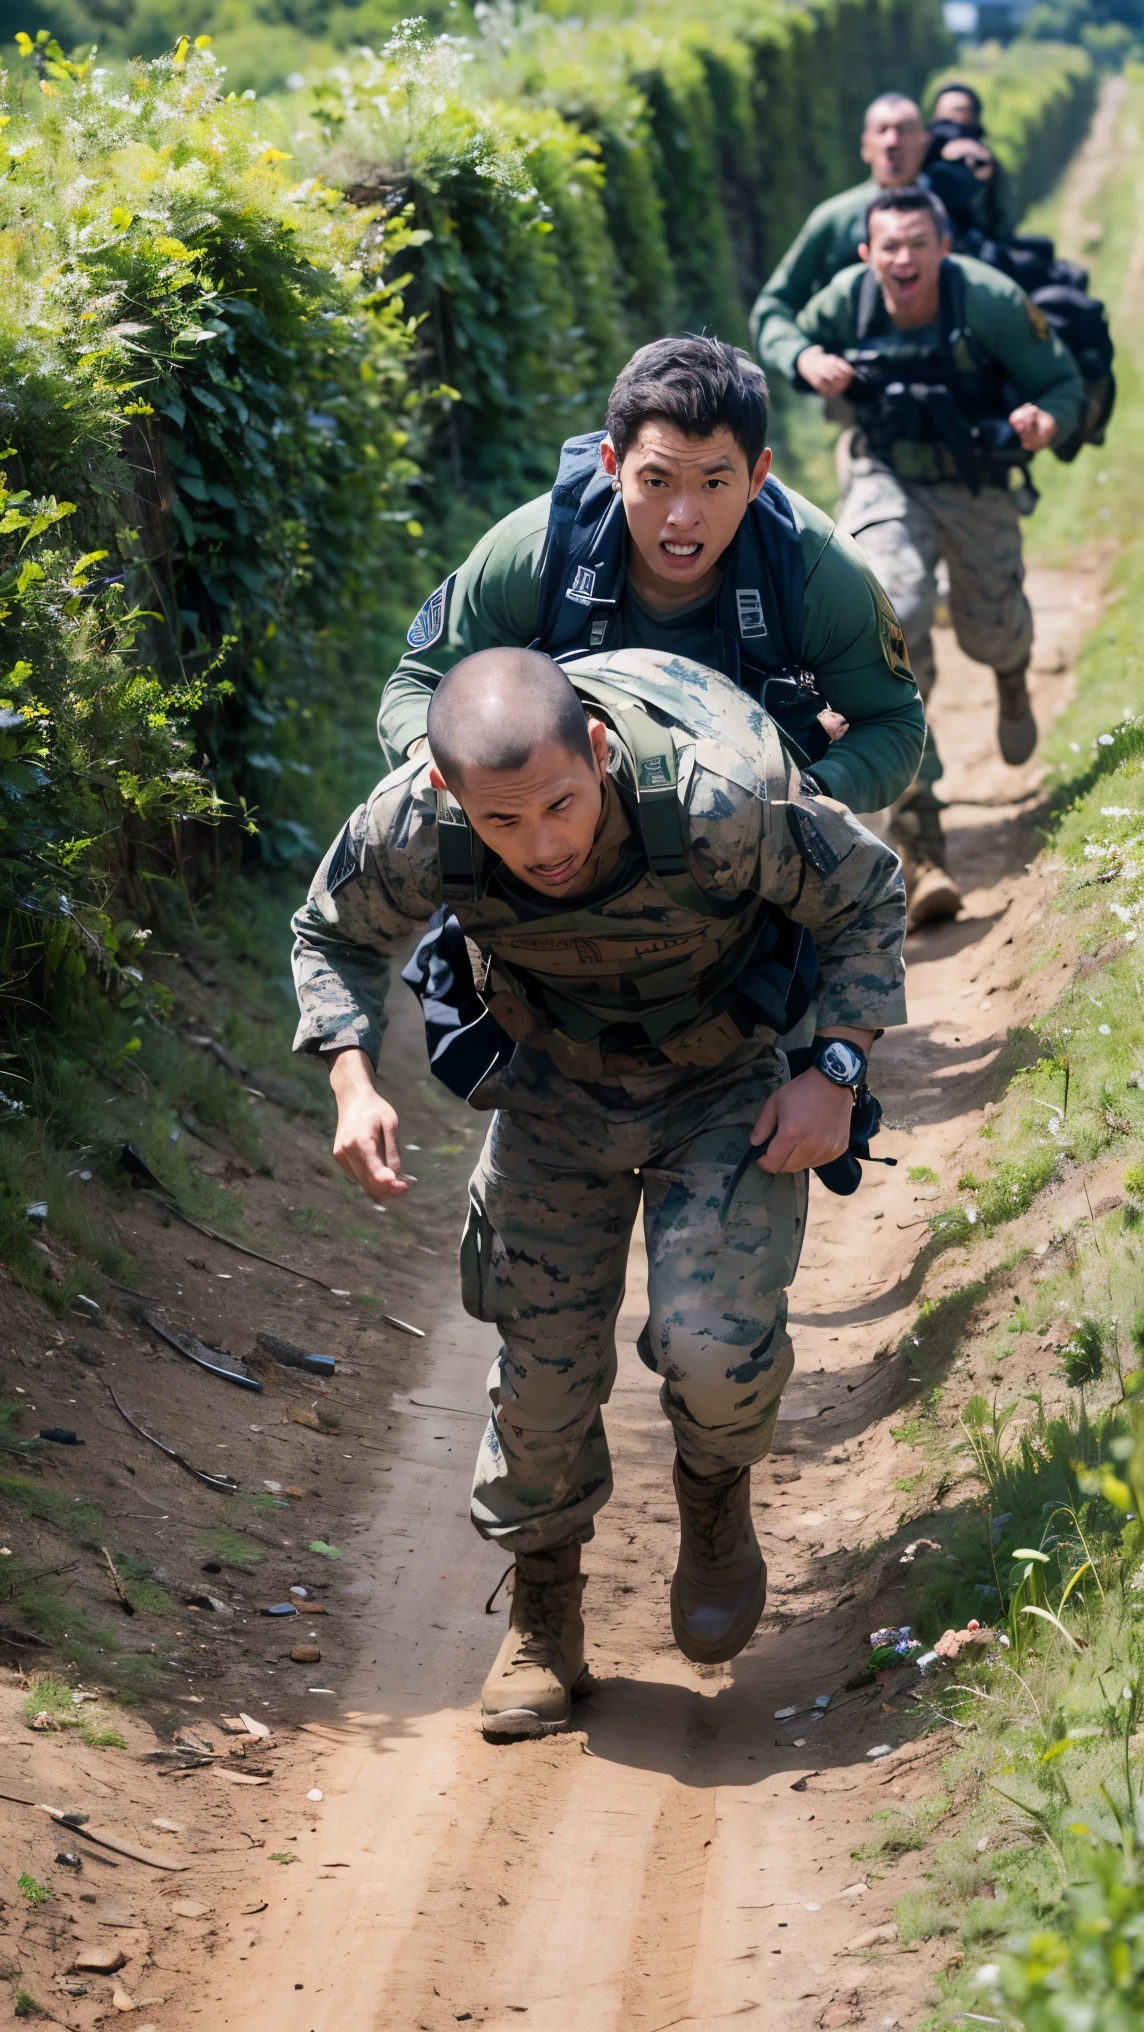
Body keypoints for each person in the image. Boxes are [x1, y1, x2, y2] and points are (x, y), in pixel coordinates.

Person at [293, 643, 907, 1737]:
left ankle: (713, 1493)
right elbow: (332, 932)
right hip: (552, 1088)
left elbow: (865, 897)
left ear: (600, 749)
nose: (542, 846)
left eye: (562, 806)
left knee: (713, 1345)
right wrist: (351, 1080)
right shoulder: (418, 820)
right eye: (502, 824)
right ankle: (542, 1611)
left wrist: (836, 1069)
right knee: (539, 1372)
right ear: (449, 794)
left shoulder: (724, 794)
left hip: (719, 1081)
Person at [378, 337, 926, 823]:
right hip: (558, 834)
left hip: (759, 829)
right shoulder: (535, 553)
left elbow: (892, 723)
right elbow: (417, 687)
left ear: (757, 476)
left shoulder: (814, 570)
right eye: (657, 480)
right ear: (613, 464)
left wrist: (808, 799)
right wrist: (460, 778)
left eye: (714, 482)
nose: (683, 517)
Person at [773, 185, 1084, 926]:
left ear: (944, 247)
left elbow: (1063, 381)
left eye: (918, 244)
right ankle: (921, 835)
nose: (904, 259)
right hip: (883, 473)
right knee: (889, 619)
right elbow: (774, 323)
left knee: (991, 628)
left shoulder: (990, 300)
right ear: (866, 252)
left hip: (976, 481)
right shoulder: (846, 301)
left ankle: (1010, 672)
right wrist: (805, 356)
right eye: (890, 246)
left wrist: (1046, 419)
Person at [750, 93, 932, 377]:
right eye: (881, 130)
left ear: (924, 142)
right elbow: (773, 307)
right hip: (854, 390)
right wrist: (803, 357)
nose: (892, 141)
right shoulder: (833, 220)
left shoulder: (950, 214)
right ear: (865, 146)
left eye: (904, 129)